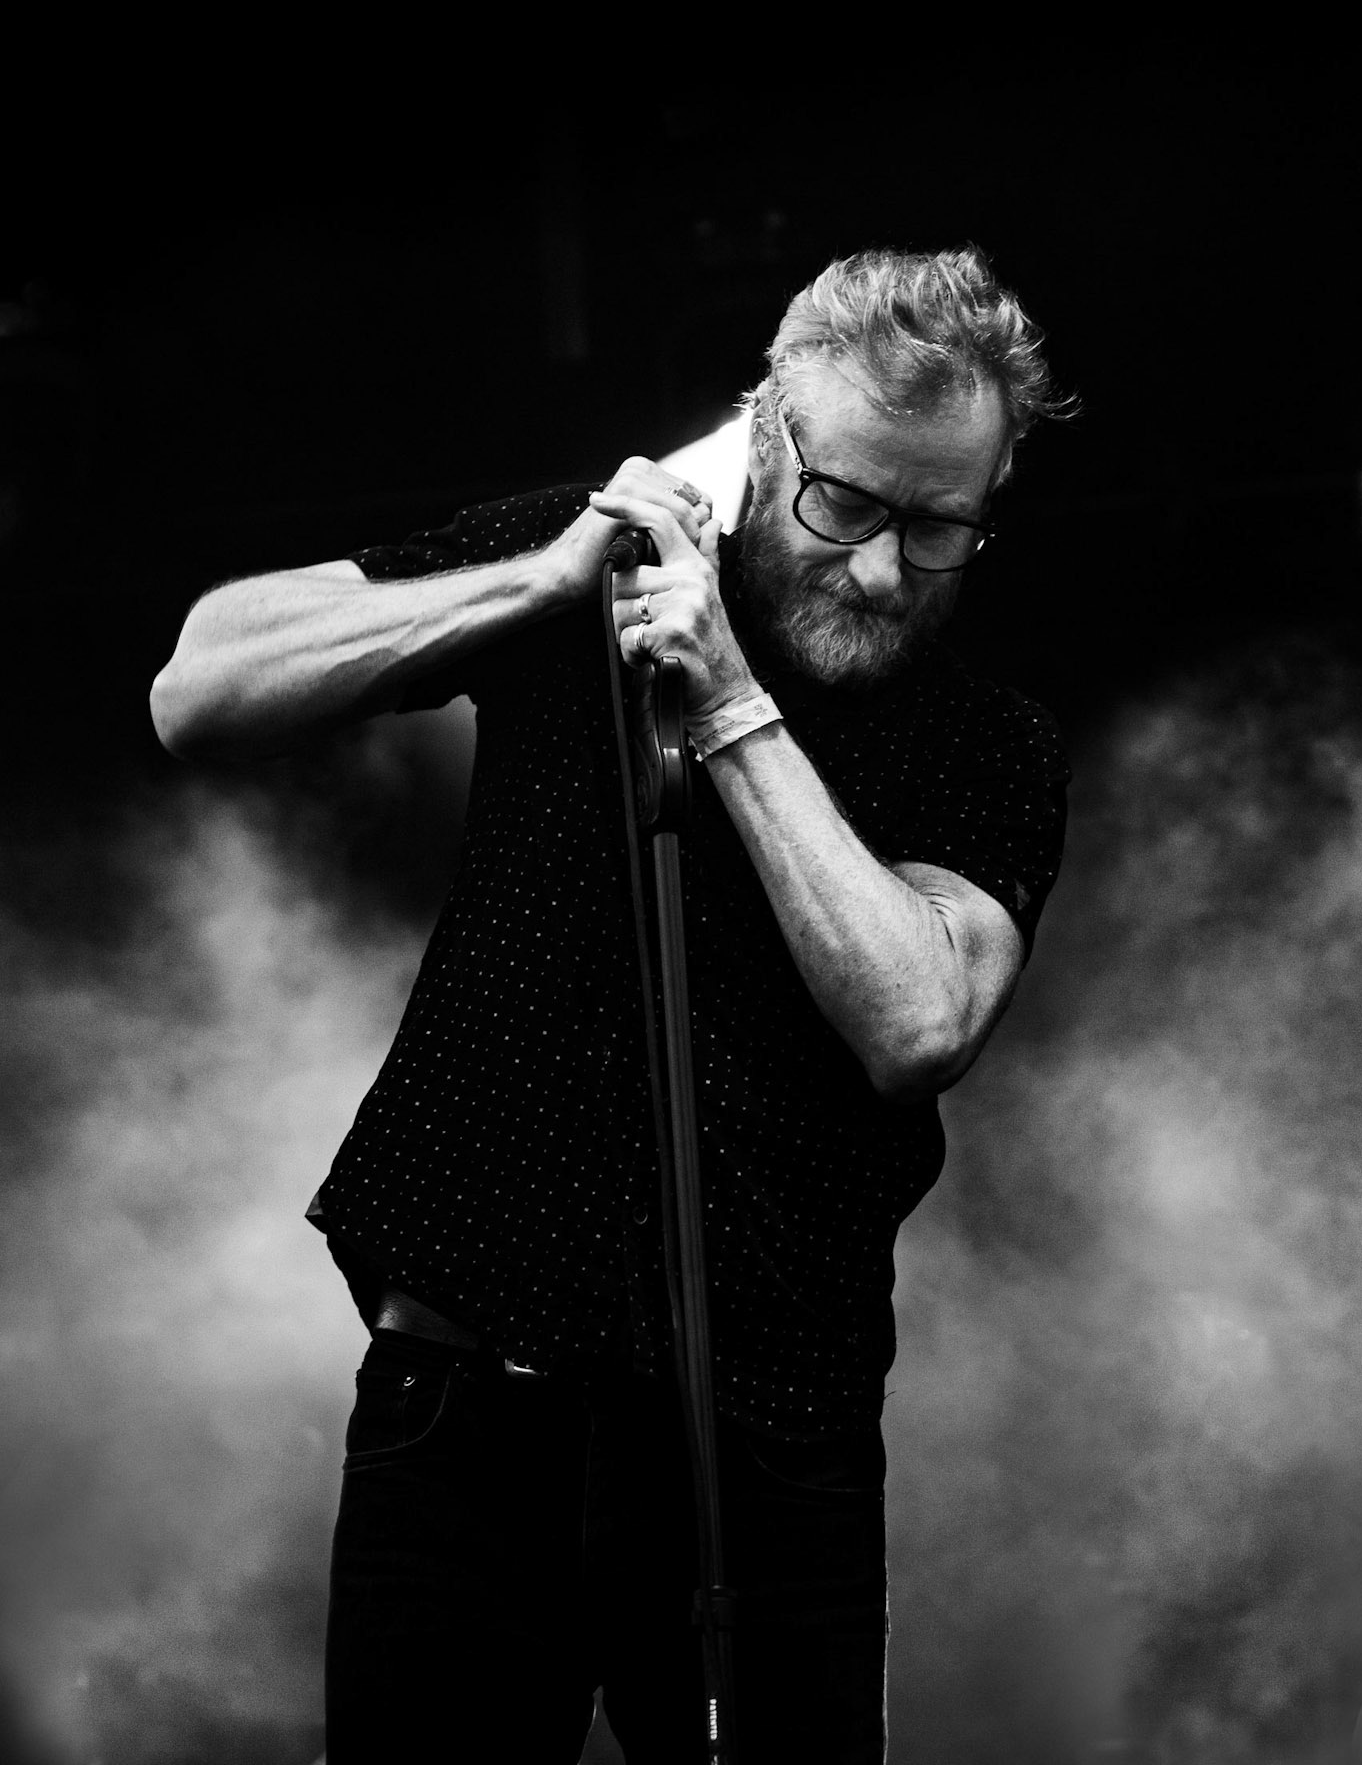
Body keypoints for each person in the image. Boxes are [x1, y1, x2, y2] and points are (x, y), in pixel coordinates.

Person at [150, 247, 1073, 1763]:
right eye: (844, 505)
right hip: (467, 1410)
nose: (879, 570)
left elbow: (917, 1023)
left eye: (937, 527)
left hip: (766, 1451)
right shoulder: (579, 568)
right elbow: (197, 690)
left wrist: (728, 700)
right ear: (762, 440)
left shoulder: (984, 744)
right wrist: (539, 582)